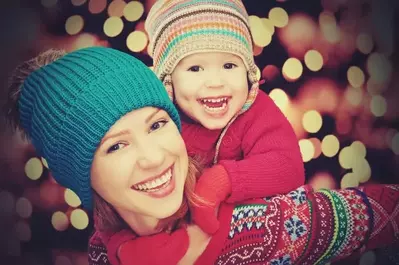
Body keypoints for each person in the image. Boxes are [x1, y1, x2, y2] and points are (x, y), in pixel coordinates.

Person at [4, 47, 398, 265]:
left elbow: (386, 212)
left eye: (157, 125)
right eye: (116, 145)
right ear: (77, 174)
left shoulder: (266, 223)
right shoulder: (101, 255)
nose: (153, 158)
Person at [144, 0, 305, 233]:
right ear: (168, 79)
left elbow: (288, 167)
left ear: (248, 70)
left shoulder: (257, 110)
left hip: (249, 231)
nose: (216, 82)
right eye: (195, 68)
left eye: (229, 65)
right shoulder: (157, 120)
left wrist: (222, 180)